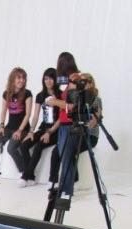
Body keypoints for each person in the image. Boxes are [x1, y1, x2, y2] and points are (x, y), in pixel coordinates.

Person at [44, 52, 80, 202]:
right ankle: (66, 187)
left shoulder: (74, 80)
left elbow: (72, 106)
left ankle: (66, 191)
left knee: (66, 158)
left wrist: (55, 102)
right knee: (65, 156)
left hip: (70, 125)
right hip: (64, 124)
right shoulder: (69, 80)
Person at [18, 68, 60, 187]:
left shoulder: (61, 95)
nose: (48, 81)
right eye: (46, 78)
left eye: (51, 78)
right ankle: (31, 177)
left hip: (55, 130)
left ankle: (25, 176)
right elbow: (35, 115)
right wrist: (31, 131)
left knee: (39, 146)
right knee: (24, 145)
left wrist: (49, 132)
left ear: (55, 80)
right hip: (43, 128)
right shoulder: (40, 96)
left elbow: (61, 118)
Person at [0, 67, 32, 173]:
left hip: (23, 129)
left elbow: (28, 114)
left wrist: (19, 130)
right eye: (19, 78)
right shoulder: (6, 94)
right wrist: (1, 127)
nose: (22, 80)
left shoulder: (27, 94)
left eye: (23, 78)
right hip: (9, 128)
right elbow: (3, 111)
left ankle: (25, 172)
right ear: (12, 79)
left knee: (11, 149)